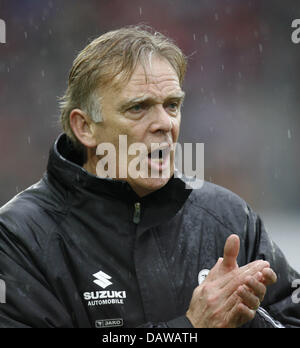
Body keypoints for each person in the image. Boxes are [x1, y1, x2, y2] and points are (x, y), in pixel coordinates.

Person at [0, 26, 299, 328]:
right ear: (85, 127)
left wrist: (248, 319)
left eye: (172, 105)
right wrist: (191, 327)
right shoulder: (19, 237)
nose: (164, 123)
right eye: (138, 107)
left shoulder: (229, 218)